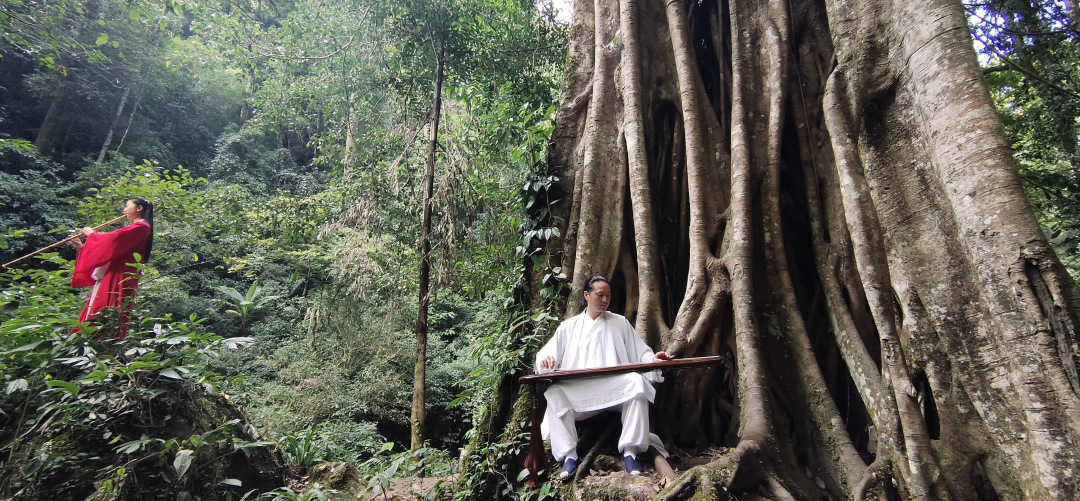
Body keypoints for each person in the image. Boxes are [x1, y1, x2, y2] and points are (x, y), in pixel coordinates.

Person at [535, 275, 673, 479]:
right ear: (586, 295)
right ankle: (569, 456)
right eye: (600, 295)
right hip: (581, 391)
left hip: (614, 388)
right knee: (555, 392)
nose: (605, 300)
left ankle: (630, 452)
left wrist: (653, 358)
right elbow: (547, 355)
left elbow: (640, 352)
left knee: (635, 382)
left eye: (608, 295)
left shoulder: (619, 323)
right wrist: (546, 361)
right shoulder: (569, 326)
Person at [69, 197, 154, 339]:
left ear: (139, 208)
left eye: (127, 206)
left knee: (108, 308)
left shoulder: (142, 228)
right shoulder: (138, 228)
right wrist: (82, 247)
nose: (124, 210)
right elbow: (111, 252)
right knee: (97, 306)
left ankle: (98, 345)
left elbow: (112, 241)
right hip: (114, 272)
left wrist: (91, 235)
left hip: (121, 275)